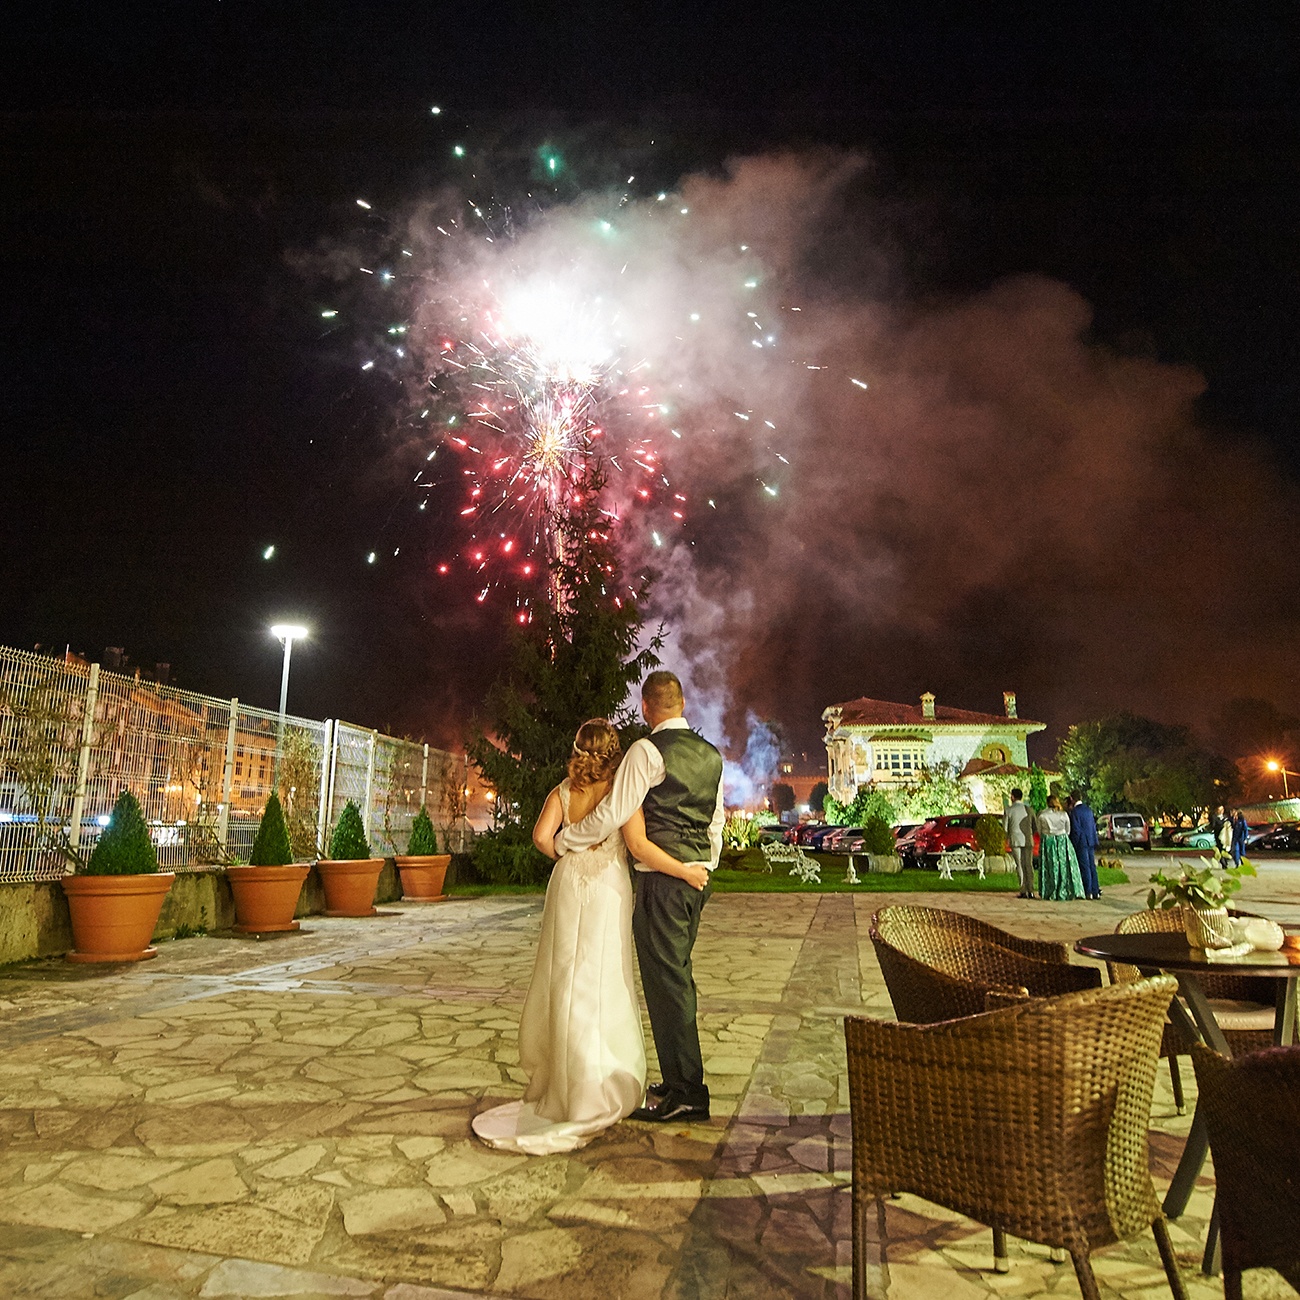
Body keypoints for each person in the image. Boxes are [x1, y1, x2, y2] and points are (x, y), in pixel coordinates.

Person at [471, 718, 705, 1154]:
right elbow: (638, 845)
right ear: (614, 753)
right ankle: (596, 1083)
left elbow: (542, 838)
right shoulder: (621, 794)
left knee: (563, 976)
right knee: (603, 980)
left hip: (567, 884)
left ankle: (562, 1083)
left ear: (577, 750)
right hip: (608, 890)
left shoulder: (563, 792)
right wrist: (684, 871)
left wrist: (567, 853)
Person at [554, 670, 724, 1124]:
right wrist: (704, 867)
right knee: (674, 978)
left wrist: (567, 840)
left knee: (668, 985)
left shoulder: (646, 751)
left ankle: (687, 1093)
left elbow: (615, 811)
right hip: (694, 879)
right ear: (682, 704)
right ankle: (676, 1080)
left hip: (662, 881)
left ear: (646, 707)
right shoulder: (712, 755)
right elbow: (716, 822)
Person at [1036, 795, 1086, 901]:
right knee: (1064, 866)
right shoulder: (1063, 814)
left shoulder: (1042, 815)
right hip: (1062, 841)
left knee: (1051, 866)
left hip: (1048, 841)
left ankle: (1050, 890)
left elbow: (1040, 830)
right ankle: (1065, 890)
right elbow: (1068, 830)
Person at [1003, 787, 1037, 899]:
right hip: (1028, 839)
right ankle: (1031, 890)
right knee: (1028, 864)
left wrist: (1007, 836)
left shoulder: (1009, 810)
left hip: (1015, 839)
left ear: (1012, 797)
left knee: (1020, 864)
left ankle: (1023, 889)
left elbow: (1005, 828)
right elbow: (1035, 826)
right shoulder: (1029, 809)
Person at [1068, 791, 1101, 900]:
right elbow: (1092, 826)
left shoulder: (1075, 812)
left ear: (1072, 798)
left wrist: (1073, 843)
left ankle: (1088, 891)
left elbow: (1076, 830)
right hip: (1090, 840)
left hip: (1081, 842)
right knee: (1092, 866)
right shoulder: (1088, 810)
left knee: (1084, 866)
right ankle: (1095, 890)